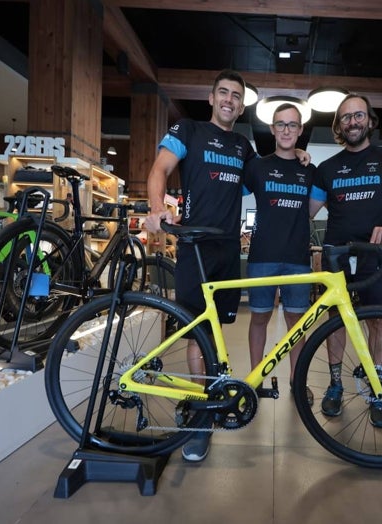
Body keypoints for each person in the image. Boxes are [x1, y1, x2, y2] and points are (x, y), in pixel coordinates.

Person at [144, 70, 310, 463]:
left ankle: (212, 397)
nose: (230, 100)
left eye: (237, 96)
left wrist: (300, 156)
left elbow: (270, 171)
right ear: (211, 97)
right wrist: (156, 210)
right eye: (224, 93)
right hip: (194, 246)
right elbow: (159, 170)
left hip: (227, 250)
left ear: (241, 104)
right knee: (197, 333)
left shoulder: (243, 147)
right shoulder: (188, 130)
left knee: (217, 332)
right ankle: (201, 417)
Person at [308, 93, 382, 428]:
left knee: (377, 322)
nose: (352, 122)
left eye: (358, 116)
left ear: (370, 120)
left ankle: (377, 386)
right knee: (336, 321)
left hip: (375, 255)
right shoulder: (326, 169)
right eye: (345, 117)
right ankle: (336, 384)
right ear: (338, 125)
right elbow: (308, 212)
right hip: (336, 253)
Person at [243, 103, 315, 404]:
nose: (286, 130)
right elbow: (230, 192)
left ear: (299, 130)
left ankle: (297, 383)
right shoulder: (257, 166)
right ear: (272, 129)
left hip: (298, 258)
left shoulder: (310, 170)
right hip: (262, 256)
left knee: (296, 326)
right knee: (259, 318)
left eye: (292, 125)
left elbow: (314, 211)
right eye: (281, 124)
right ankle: (254, 380)